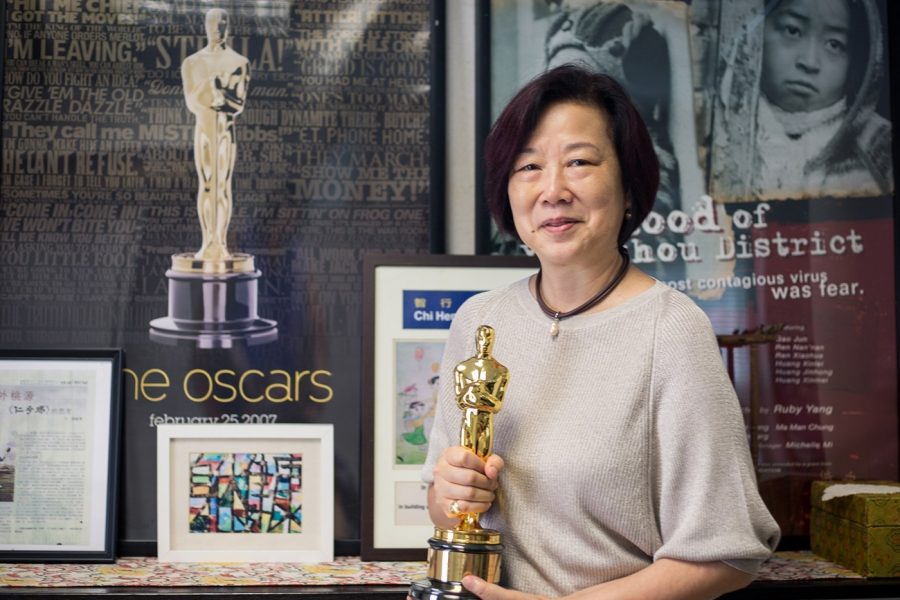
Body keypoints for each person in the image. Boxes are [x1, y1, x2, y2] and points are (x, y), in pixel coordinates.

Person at [420, 65, 780, 599]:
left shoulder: (671, 329)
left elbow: (726, 556)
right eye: (529, 166)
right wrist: (449, 493)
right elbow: (446, 508)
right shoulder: (478, 321)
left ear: (629, 186)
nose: (553, 190)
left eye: (580, 162)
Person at [713, 0, 892, 200]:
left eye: (834, 44)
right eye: (792, 31)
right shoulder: (717, 127)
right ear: (755, 32)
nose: (809, 62)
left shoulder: (880, 148)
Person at [181, 8, 250, 261]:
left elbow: (237, 104)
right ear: (206, 26)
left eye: (222, 23)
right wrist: (213, 86)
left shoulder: (238, 62)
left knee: (223, 185)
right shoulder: (192, 63)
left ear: (228, 27)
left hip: (225, 130)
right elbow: (192, 103)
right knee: (207, 183)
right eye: (213, 23)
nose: (217, 28)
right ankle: (207, 243)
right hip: (203, 129)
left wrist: (217, 93)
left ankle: (220, 243)